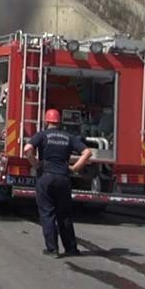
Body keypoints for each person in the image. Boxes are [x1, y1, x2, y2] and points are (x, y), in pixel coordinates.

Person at [24, 108, 93, 259]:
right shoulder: (68, 137)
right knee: (64, 214)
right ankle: (71, 248)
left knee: (47, 213)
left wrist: (35, 163)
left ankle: (52, 249)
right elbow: (87, 152)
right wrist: (74, 168)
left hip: (46, 177)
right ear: (59, 122)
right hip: (63, 178)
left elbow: (27, 149)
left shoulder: (42, 135)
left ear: (46, 121)